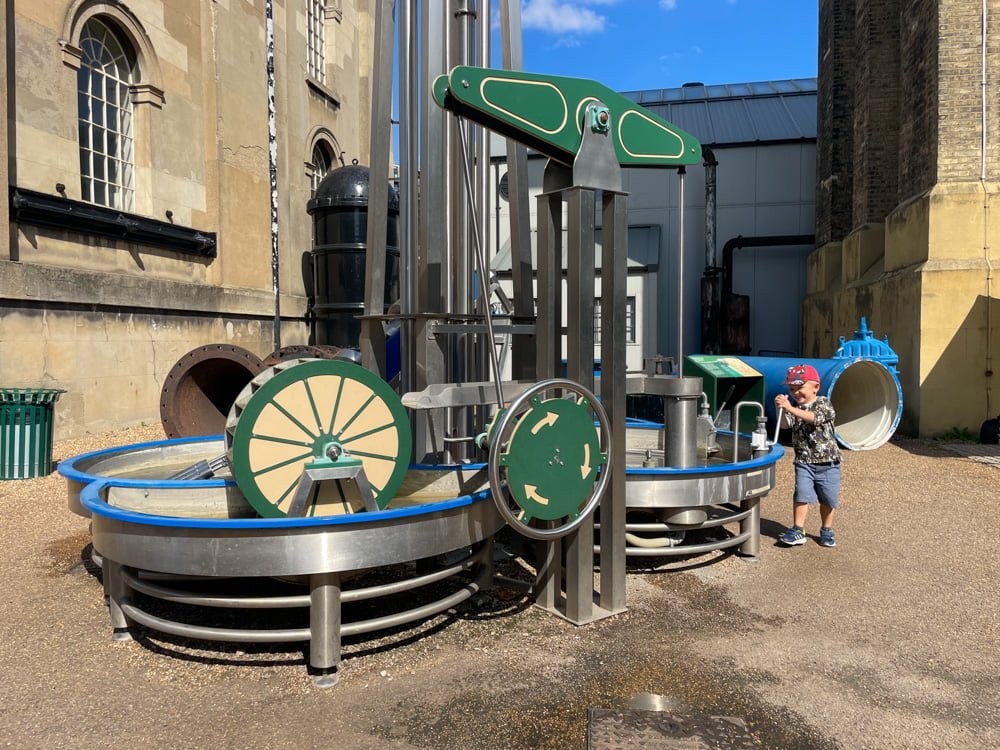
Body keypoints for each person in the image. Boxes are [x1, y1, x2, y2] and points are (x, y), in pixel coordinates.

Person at [774, 364, 841, 547]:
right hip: (804, 461)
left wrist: (790, 408)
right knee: (801, 494)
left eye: (800, 388)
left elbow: (814, 418)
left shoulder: (824, 403)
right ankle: (798, 529)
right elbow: (785, 425)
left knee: (828, 498)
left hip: (828, 462)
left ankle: (826, 529)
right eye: (791, 389)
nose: (796, 393)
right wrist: (781, 408)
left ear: (815, 387)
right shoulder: (795, 407)